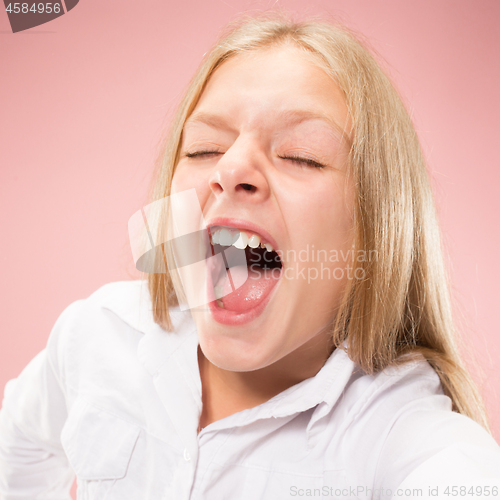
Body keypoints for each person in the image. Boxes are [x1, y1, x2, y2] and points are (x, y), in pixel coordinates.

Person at [1, 12, 499, 500]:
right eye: (202, 148)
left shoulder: (396, 434)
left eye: (301, 155)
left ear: (375, 230)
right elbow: (17, 447)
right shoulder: (97, 336)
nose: (231, 166)